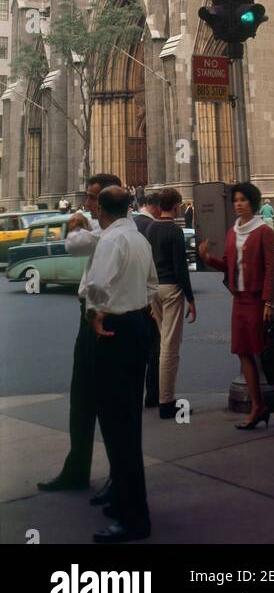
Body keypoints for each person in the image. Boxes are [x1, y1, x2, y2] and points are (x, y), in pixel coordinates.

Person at [37, 172, 122, 498]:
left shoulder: (110, 232)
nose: (86, 204)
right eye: (86, 198)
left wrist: (75, 224)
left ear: (107, 201)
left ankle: (119, 477)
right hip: (88, 317)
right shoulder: (101, 227)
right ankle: (77, 469)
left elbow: (76, 244)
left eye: (92, 198)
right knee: (83, 399)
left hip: (109, 320)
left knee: (111, 405)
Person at [199, 181, 274, 431]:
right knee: (244, 352)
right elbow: (228, 264)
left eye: (243, 200)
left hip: (258, 301)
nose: (238, 204)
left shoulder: (263, 231)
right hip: (240, 300)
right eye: (235, 199)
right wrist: (208, 259)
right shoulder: (233, 231)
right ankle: (258, 406)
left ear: (253, 203)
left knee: (270, 357)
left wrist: (269, 301)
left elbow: (271, 267)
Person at [85, 186, 158, 544]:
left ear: (100, 207)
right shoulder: (140, 239)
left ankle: (133, 517)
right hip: (139, 326)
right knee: (128, 422)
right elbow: (153, 286)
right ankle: (122, 499)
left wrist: (96, 313)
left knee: (117, 426)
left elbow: (95, 285)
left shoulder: (111, 242)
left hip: (114, 331)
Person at [146, 187, 196, 418]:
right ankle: (167, 401)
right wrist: (191, 298)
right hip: (171, 289)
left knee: (162, 342)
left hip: (153, 289)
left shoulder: (150, 228)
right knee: (170, 347)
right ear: (176, 207)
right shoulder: (175, 231)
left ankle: (157, 394)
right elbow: (181, 268)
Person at [134, 192, 162, 407]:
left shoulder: (132, 225)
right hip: (149, 298)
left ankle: (132, 394)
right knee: (155, 347)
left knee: (136, 349)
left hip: (132, 299)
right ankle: (153, 393)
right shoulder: (153, 227)